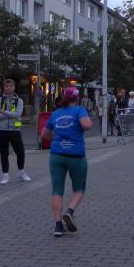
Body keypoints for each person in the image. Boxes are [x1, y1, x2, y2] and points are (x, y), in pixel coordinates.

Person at [40, 87, 93, 237]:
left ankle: (58, 226)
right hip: (76, 155)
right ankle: (69, 211)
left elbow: (44, 135)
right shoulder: (79, 110)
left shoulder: (56, 113)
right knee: (79, 189)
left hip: (57, 155)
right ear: (77, 98)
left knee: (57, 190)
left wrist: (56, 136)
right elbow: (87, 125)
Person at [0, 78, 31, 185]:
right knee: (3, 153)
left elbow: (18, 114)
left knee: (20, 152)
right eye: (7, 86)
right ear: (4, 88)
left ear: (14, 87)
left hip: (15, 130)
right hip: (1, 130)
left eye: (11, 86)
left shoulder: (19, 101)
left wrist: (4, 112)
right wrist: (9, 114)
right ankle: (5, 175)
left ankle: (21, 172)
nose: (9, 88)